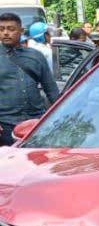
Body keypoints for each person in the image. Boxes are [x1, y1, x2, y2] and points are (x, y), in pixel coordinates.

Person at [0, 13, 60, 146]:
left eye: (11, 29)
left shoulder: (36, 56)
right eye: (1, 29)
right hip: (5, 125)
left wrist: (62, 117)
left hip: (36, 124)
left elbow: (51, 90)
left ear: (21, 31)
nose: (5, 33)